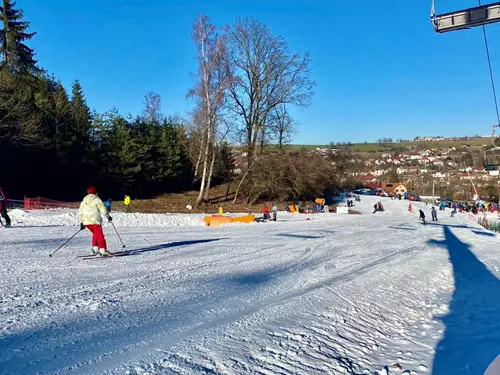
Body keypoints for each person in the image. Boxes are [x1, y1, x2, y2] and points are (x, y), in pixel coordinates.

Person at [78, 186, 112, 256]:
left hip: (86, 222)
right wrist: (108, 216)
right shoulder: (96, 199)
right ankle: (102, 250)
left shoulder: (84, 201)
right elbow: (103, 209)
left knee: (95, 234)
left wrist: (81, 222)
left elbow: (80, 211)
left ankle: (95, 249)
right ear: (95, 192)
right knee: (100, 235)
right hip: (95, 221)